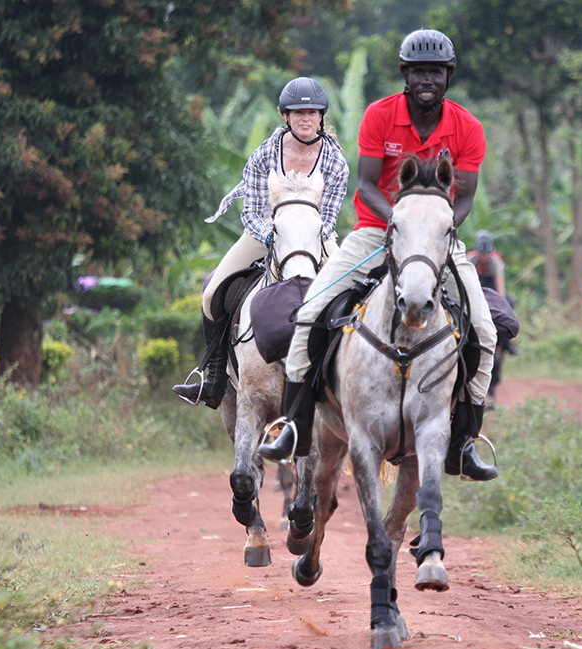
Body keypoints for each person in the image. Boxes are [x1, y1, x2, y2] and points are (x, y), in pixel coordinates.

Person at [257, 29, 499, 482]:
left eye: (436, 72)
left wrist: (434, 232)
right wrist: (397, 225)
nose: (427, 79)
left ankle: (465, 441)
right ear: (406, 75)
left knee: (484, 331)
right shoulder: (379, 115)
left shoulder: (468, 128)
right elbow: (367, 184)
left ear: (448, 76)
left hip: (437, 241)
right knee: (310, 312)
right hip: (374, 231)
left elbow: (464, 198)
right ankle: (294, 424)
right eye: (418, 71)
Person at [173, 77, 349, 408]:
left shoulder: (335, 160)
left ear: (322, 116)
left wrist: (301, 241)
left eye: (312, 113)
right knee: (212, 294)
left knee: (351, 295)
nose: (306, 119)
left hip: (315, 236)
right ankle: (212, 378)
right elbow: (251, 213)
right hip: (264, 234)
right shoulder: (264, 154)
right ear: (285, 116)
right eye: (298, 113)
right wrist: (273, 237)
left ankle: (346, 379)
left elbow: (329, 218)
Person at [468, 230, 511, 407]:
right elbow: (465, 284)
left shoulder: (496, 261)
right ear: (478, 251)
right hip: (475, 291)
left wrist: (499, 309)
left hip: (492, 292)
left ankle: (507, 341)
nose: (485, 257)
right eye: (482, 253)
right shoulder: (470, 259)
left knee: (510, 304)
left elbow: (500, 290)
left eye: (487, 253)